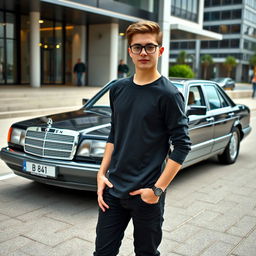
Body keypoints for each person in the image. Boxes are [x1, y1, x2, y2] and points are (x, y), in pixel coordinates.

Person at [94, 21, 191, 256]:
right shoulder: (118, 89)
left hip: (146, 194)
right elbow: (114, 134)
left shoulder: (168, 95)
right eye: (137, 47)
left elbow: (182, 145)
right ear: (130, 51)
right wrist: (100, 174)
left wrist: (156, 191)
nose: (144, 52)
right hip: (113, 191)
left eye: (150, 46)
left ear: (160, 50)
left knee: (146, 253)